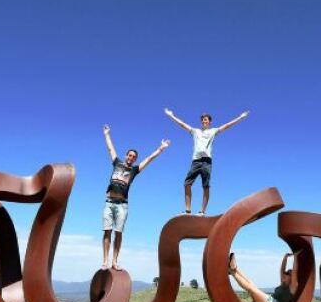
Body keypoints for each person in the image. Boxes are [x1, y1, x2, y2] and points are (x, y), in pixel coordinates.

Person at [102, 124, 170, 270]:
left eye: (134, 157)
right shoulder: (117, 163)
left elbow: (149, 159)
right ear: (126, 156)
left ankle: (114, 261)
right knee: (107, 231)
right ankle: (105, 261)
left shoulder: (134, 170)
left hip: (122, 205)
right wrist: (107, 134)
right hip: (109, 202)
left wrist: (161, 148)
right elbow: (110, 149)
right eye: (129, 155)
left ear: (135, 159)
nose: (131, 158)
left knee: (118, 233)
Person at [164, 108, 249, 215]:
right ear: (201, 121)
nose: (204, 121)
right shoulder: (195, 131)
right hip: (196, 161)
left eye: (206, 120)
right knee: (187, 184)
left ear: (209, 122)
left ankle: (202, 211)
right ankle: (187, 210)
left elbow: (227, 125)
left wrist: (240, 117)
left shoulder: (213, 131)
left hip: (206, 162)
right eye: (203, 120)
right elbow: (182, 124)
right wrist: (171, 115)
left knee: (206, 186)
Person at [228, 251, 298, 302]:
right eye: (286, 272)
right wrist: (286, 257)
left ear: (292, 278)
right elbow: (282, 269)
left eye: (288, 273)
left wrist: (296, 256)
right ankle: (235, 268)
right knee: (251, 284)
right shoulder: (283, 284)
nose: (285, 273)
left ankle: (231, 271)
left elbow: (294, 272)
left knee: (251, 288)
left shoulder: (292, 289)